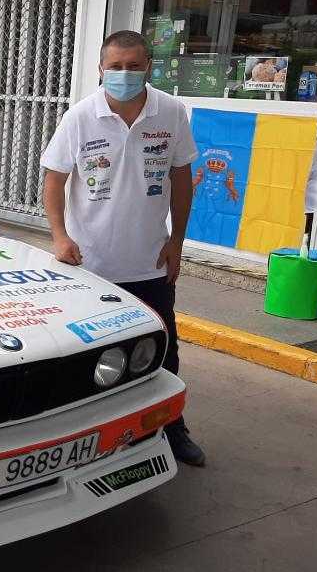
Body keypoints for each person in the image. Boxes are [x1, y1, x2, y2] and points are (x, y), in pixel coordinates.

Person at [40, 29, 206, 467]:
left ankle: (172, 428)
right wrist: (59, 236)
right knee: (88, 358)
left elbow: (181, 179)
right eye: (115, 66)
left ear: (148, 66)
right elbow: (54, 179)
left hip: (149, 263)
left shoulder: (170, 112)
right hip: (90, 266)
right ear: (100, 69)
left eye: (133, 66)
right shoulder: (80, 117)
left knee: (163, 350)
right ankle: (88, 438)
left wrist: (176, 242)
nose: (124, 74)